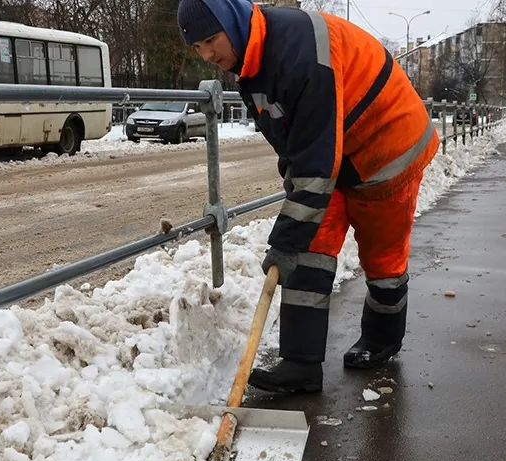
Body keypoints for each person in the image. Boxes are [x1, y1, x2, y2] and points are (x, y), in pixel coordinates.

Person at [178, 0, 439, 393]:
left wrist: (286, 234)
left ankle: (382, 339)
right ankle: (300, 364)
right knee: (310, 246)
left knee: (382, 256)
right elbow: (293, 143)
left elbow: (316, 158)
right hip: (337, 146)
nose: (208, 54)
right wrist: (294, 215)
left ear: (234, 22)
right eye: (197, 46)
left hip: (387, 143)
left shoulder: (298, 51)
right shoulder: (252, 64)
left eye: (212, 40)